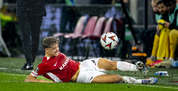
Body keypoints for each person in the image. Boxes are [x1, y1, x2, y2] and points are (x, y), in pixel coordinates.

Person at [24, 36, 158, 84]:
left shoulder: (56, 53)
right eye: (54, 48)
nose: (57, 50)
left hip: (84, 64)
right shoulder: (44, 65)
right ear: (46, 50)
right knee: (116, 78)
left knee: (110, 64)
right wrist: (47, 83)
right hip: (82, 76)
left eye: (57, 47)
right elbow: (29, 79)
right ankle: (140, 82)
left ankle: (137, 67)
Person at [155, 0, 178, 67]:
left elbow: (174, 26)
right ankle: (161, 57)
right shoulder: (169, 13)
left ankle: (171, 58)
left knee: (172, 32)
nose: (169, 8)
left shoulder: (176, 11)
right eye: (167, 6)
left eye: (170, 5)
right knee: (161, 32)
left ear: (175, 3)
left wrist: (170, 26)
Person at [148, 0, 170, 66]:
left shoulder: (170, 13)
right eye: (159, 8)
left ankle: (161, 57)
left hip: (170, 32)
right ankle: (154, 56)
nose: (160, 10)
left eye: (162, 7)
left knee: (163, 31)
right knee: (154, 34)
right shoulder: (161, 15)